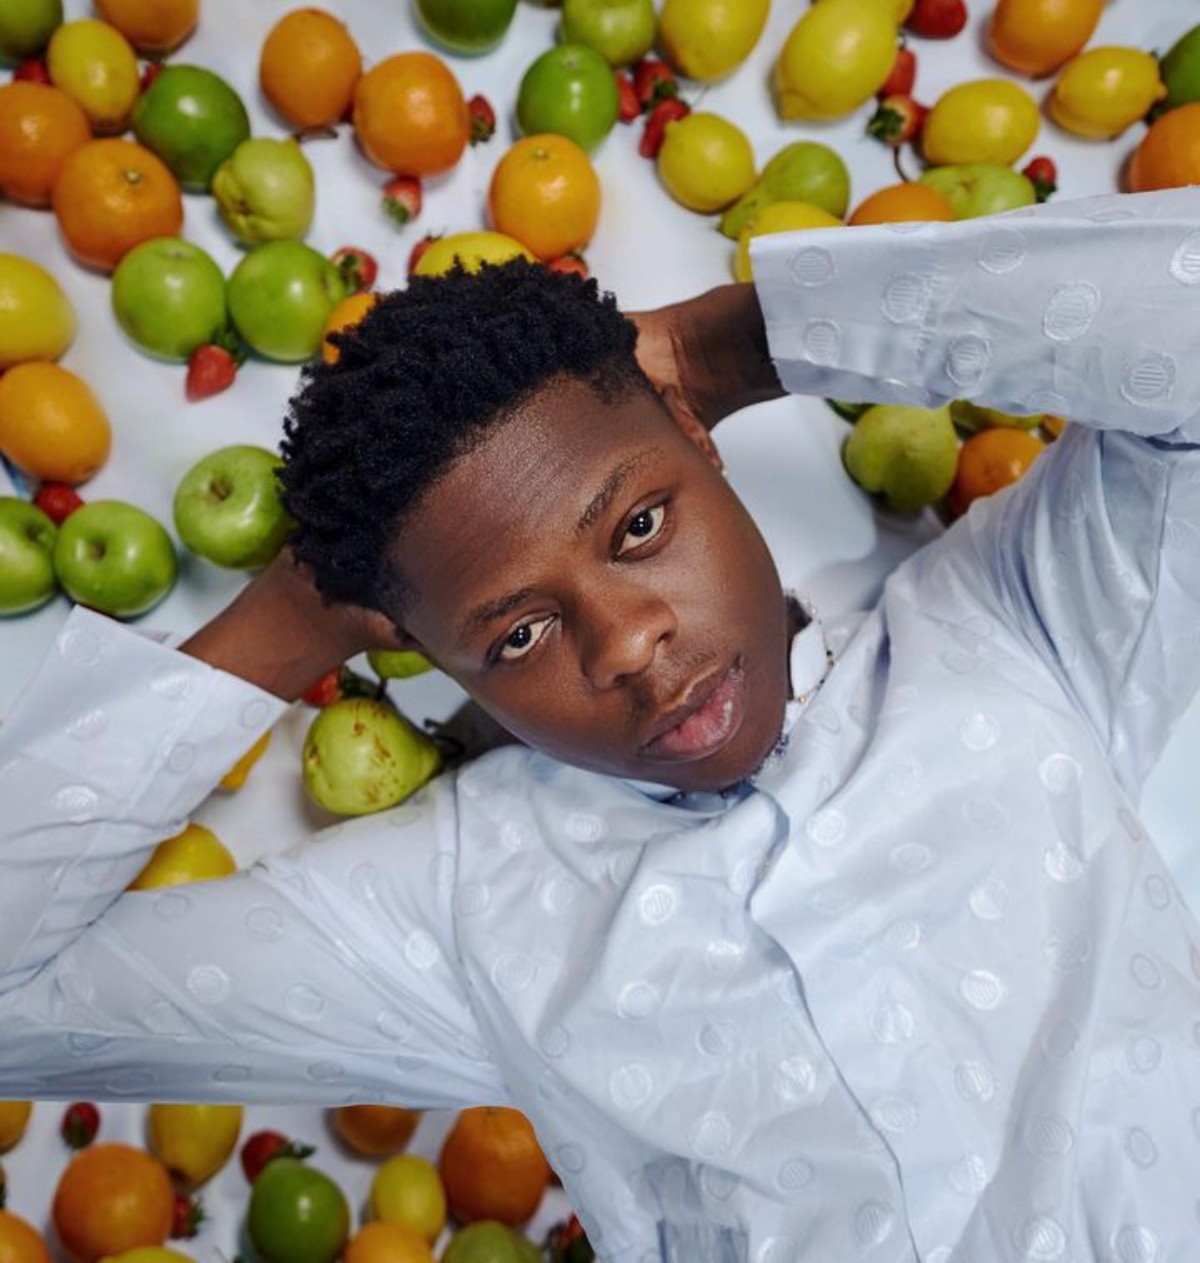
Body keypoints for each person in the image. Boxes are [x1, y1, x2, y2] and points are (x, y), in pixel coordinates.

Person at [2, 186, 1199, 1262]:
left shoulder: (1017, 621)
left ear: (695, 436)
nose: (626, 646)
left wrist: (730, 346)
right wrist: (293, 621)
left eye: (638, 527)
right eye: (518, 635)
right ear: (433, 659)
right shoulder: (463, 912)